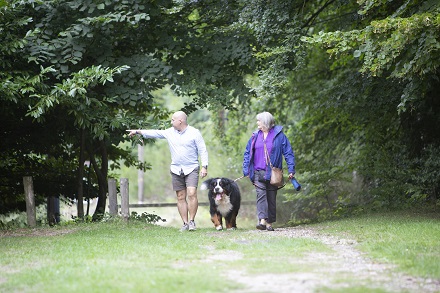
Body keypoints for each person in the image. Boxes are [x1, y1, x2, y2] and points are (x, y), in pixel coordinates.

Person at [127, 111, 208, 232]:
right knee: (180, 196)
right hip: (176, 169)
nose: (171, 122)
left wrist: (204, 166)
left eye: (172, 119)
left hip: (191, 168)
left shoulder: (194, 133)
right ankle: (185, 223)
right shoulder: (170, 132)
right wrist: (138, 131)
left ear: (180, 121)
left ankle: (192, 221)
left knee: (192, 193)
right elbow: (155, 133)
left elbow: (203, 150)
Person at [242, 111, 296, 231]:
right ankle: (262, 220)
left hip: (273, 173)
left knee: (271, 197)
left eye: (259, 121)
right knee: (261, 195)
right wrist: (246, 169)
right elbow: (247, 153)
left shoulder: (279, 136)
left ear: (265, 122)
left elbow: (288, 153)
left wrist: (291, 169)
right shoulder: (255, 136)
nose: (257, 123)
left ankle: (269, 223)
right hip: (257, 172)